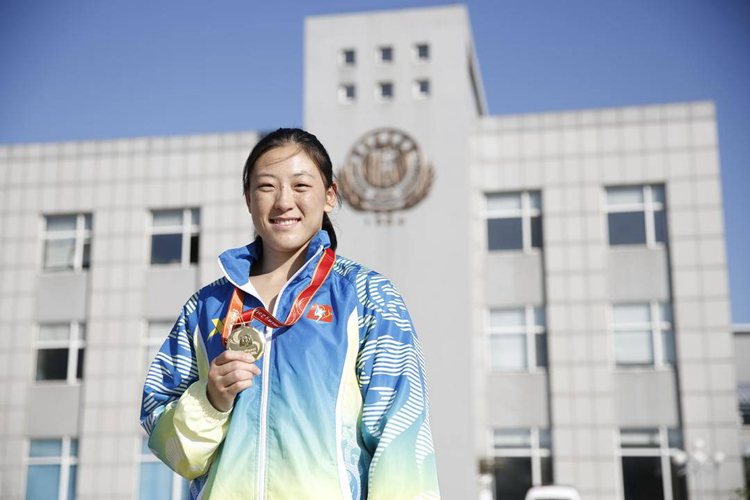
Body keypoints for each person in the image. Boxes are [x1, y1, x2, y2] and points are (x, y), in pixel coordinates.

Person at [140, 128, 440, 499]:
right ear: (248, 199)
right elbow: (170, 445)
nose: (284, 202)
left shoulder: (367, 296)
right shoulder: (206, 306)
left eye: (301, 186)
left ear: (329, 195)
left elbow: (401, 436)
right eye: (267, 186)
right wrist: (210, 401)